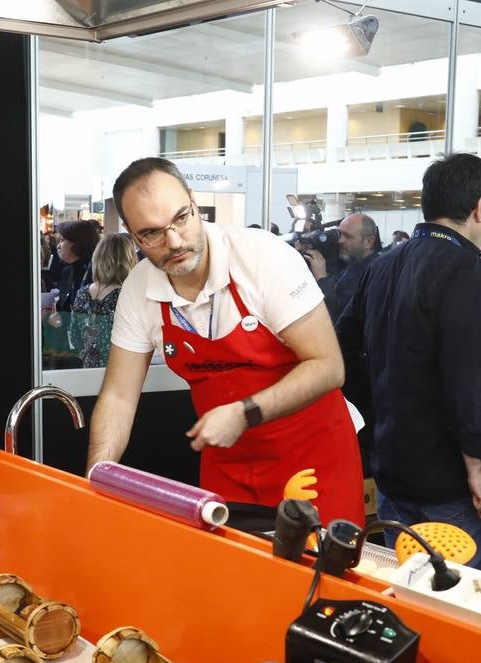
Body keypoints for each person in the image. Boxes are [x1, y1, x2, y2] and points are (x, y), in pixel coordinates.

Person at [88, 157, 365, 524]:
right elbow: (119, 396)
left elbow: (328, 366)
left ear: (192, 200)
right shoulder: (140, 289)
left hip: (311, 462)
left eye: (181, 218)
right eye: (151, 233)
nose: (173, 242)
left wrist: (243, 413)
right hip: (228, 465)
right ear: (131, 233)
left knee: (316, 577)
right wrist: (96, 479)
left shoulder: (262, 257)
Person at [337, 153, 481, 566]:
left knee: (405, 591)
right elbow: (469, 380)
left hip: (393, 466)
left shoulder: (383, 264)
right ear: (479, 207)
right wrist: (479, 474)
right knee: (454, 604)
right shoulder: (465, 267)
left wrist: (378, 408)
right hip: (448, 480)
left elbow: (342, 346)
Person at [69, 233, 136, 368]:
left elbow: (75, 337)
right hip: (119, 370)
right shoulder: (127, 294)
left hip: (87, 368)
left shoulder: (82, 293)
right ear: (128, 259)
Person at [304, 213, 382, 323]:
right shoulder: (346, 263)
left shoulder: (376, 272)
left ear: (368, 242)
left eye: (348, 236)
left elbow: (342, 314)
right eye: (339, 234)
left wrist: (322, 278)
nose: (340, 240)